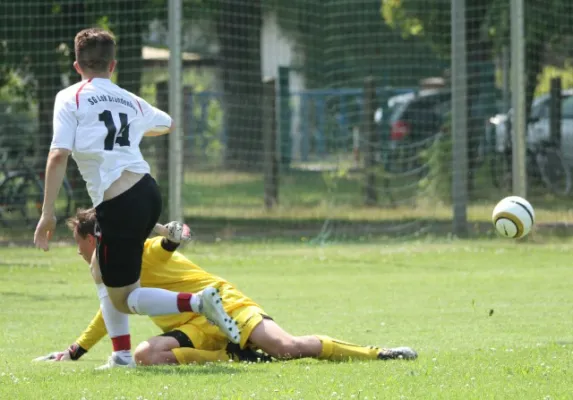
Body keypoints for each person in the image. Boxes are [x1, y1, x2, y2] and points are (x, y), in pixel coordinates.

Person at [33, 28, 239, 369]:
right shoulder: (129, 98)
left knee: (127, 299)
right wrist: (137, 128)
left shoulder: (71, 97)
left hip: (120, 202)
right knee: (100, 270)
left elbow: (58, 155)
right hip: (146, 190)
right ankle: (121, 355)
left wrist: (47, 213)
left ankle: (199, 302)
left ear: (76, 65)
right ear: (112, 65)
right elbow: (168, 124)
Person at [35, 209, 418, 367]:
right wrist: (74, 352)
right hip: (193, 329)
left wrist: (175, 231)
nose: (78, 251)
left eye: (79, 242)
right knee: (146, 355)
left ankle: (379, 354)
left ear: (93, 239)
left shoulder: (145, 249)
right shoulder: (112, 273)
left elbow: (175, 238)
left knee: (288, 348)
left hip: (227, 305)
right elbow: (112, 312)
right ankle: (235, 354)